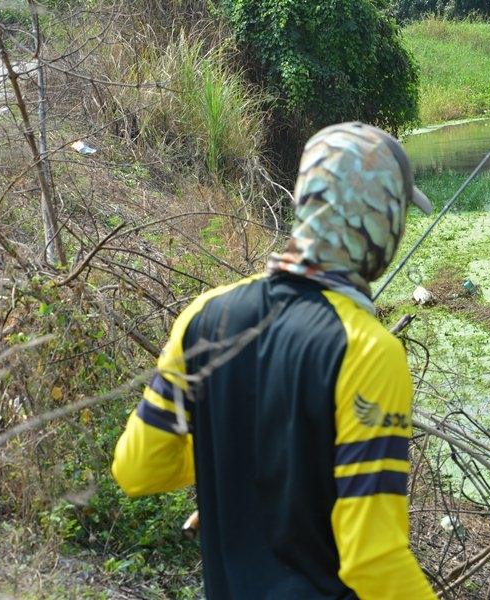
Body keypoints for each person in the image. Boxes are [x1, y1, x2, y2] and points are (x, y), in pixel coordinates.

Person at [111, 122, 437, 599]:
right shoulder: (368, 351)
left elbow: (139, 469)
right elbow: (372, 557)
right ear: (383, 220)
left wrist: (242, 463)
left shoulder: (204, 317)